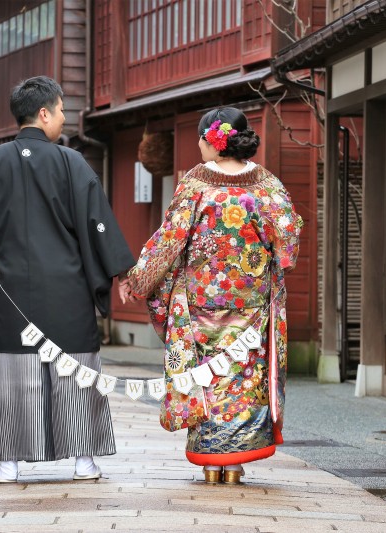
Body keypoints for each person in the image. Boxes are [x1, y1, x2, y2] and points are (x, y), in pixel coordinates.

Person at [0, 76, 135, 483]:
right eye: (60, 111)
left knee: (14, 373)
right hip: (68, 288)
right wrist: (117, 271)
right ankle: (83, 461)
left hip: (12, 290)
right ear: (44, 113)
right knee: (75, 368)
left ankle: (9, 463)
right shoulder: (71, 163)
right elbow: (98, 224)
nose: (62, 119)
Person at [119, 107, 302, 484]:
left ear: (211, 141)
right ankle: (234, 466)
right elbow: (288, 246)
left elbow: (168, 242)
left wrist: (138, 281)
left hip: (200, 303)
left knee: (205, 378)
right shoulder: (268, 184)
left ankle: (210, 463)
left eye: (201, 140)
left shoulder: (195, 184)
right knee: (242, 379)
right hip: (251, 304)